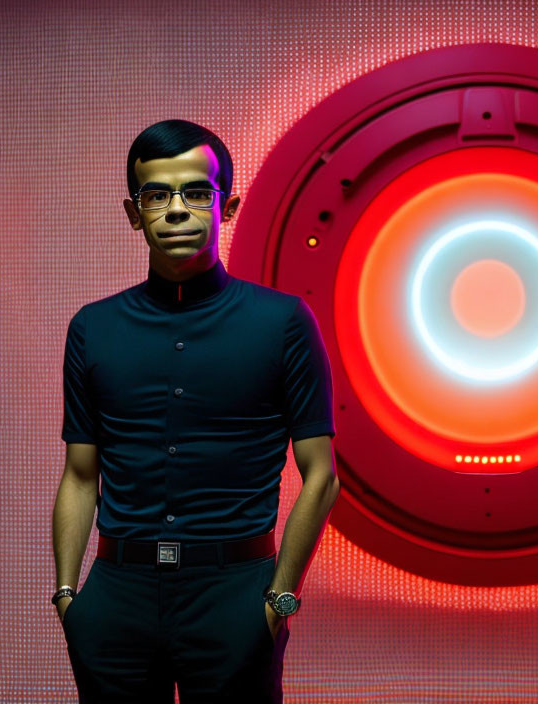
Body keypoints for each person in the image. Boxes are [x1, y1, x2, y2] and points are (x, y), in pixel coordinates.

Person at [50, 118, 340, 703]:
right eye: (157, 195)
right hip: (116, 596)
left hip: (236, 593)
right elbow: (81, 476)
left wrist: (279, 598)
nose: (176, 210)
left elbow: (322, 474)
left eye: (195, 192)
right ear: (134, 214)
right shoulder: (92, 328)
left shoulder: (282, 323)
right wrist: (67, 598)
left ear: (225, 206)